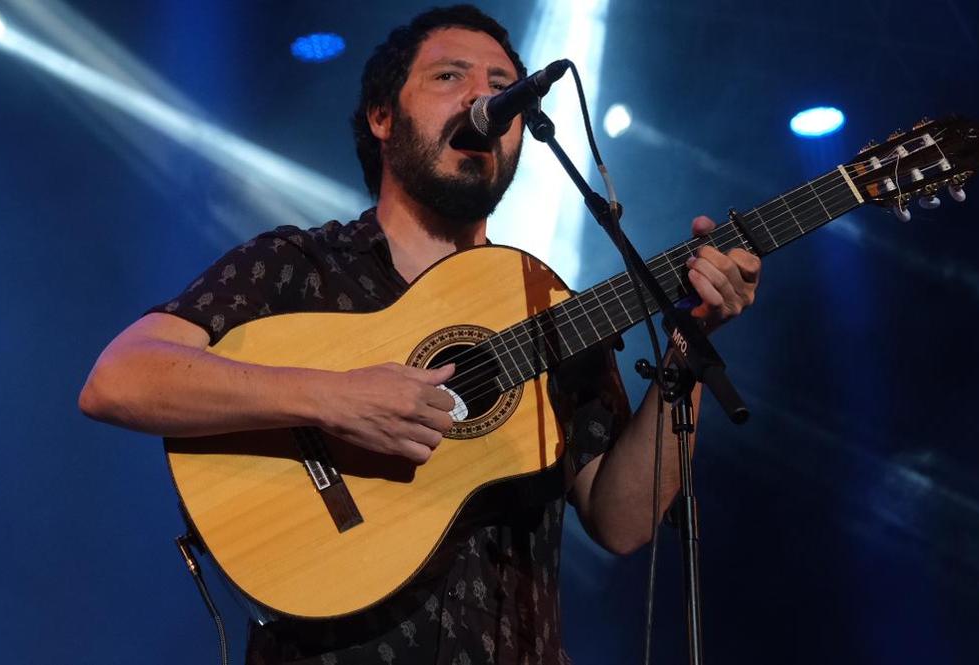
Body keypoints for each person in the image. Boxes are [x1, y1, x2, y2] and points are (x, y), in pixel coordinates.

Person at [79, 5, 760, 664]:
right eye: (449, 77)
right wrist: (331, 398)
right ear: (382, 116)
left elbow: (622, 519)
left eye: (502, 89)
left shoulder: (543, 301)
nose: (481, 100)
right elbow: (121, 378)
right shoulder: (297, 264)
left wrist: (688, 350)